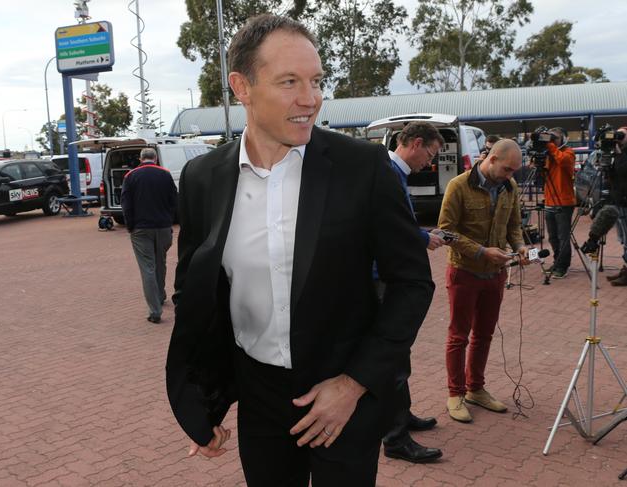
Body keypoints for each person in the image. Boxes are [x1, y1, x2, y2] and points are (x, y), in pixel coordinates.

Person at [165, 14, 434, 487]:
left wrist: (354, 384)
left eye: (315, 81)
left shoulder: (361, 167)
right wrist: (204, 401)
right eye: (289, 82)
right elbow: (197, 294)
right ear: (241, 87)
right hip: (260, 397)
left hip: (343, 398)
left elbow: (412, 283)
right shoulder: (202, 178)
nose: (309, 99)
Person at [438, 139, 529, 423]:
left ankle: (475, 388)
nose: (510, 176)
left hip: (495, 275)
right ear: (490, 159)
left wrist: (520, 245)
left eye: (514, 171)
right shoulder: (458, 186)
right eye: (507, 169)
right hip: (464, 272)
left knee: (484, 335)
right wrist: (481, 251)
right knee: (458, 336)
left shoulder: (509, 188)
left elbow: (514, 225)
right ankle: (456, 394)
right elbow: (445, 232)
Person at [381, 122, 445, 463]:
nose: (430, 163)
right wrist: (423, 238)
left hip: (391, 274)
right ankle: (394, 438)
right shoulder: (389, 173)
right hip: (385, 277)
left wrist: (422, 233)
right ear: (416, 143)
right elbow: (391, 225)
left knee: (399, 352)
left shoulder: (394, 172)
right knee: (390, 355)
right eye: (430, 154)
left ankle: (401, 418)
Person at [120, 147, 177, 324]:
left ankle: (155, 310)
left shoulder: (131, 176)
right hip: (163, 227)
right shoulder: (165, 174)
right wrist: (170, 221)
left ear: (140, 158)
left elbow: (126, 204)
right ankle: (160, 295)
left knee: (148, 268)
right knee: (161, 261)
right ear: (155, 158)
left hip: (141, 228)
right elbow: (174, 201)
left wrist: (130, 226)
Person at [543, 127, 576, 279]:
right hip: (549, 200)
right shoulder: (547, 154)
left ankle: (563, 266)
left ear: (563, 138)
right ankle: (557, 261)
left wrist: (550, 146)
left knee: (563, 237)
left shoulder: (568, 152)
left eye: (555, 137)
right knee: (552, 237)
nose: (552, 140)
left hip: (564, 202)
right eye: (550, 137)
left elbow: (563, 161)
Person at [606, 126, 627, 286]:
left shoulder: (623, 155)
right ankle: (625, 269)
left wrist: (618, 153)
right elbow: (612, 177)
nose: (618, 137)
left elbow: (623, 170)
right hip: (619, 200)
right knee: (623, 239)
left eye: (622, 135)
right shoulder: (618, 154)